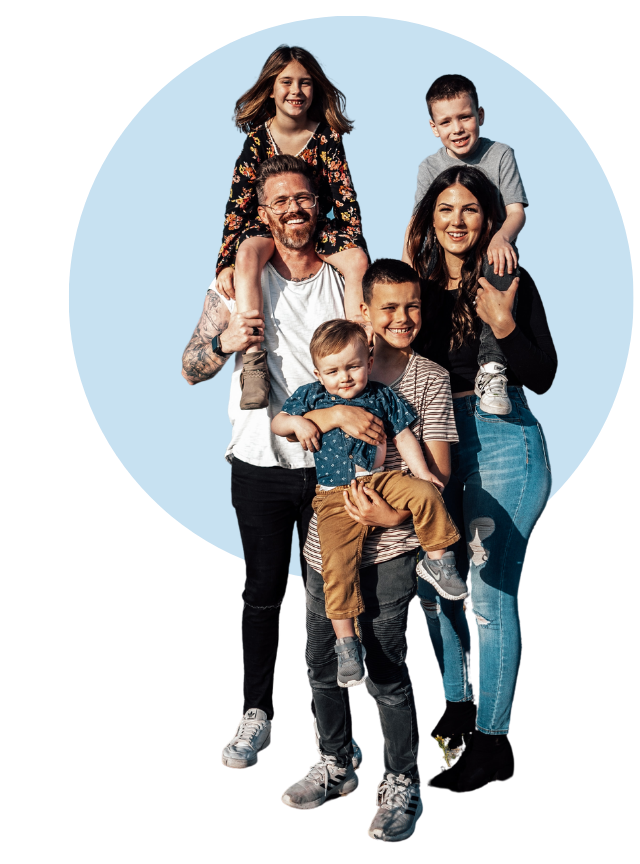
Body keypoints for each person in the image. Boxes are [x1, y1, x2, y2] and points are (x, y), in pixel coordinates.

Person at [181, 154, 363, 773]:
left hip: (330, 466)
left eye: (303, 198)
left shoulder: (341, 280)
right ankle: (256, 713)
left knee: (328, 597)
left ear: (320, 206)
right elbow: (189, 367)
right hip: (258, 460)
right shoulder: (234, 284)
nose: (293, 209)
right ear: (264, 213)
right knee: (262, 593)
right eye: (280, 200)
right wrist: (222, 341)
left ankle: (330, 730)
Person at [279, 259, 459, 843]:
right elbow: (287, 423)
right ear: (364, 313)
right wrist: (330, 412)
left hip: (393, 540)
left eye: (412, 307)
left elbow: (438, 469)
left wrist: (391, 513)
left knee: (385, 667)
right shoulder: (333, 368)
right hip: (324, 541)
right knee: (321, 659)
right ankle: (336, 761)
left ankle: (402, 780)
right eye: (388, 307)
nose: (402, 318)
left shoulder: (425, 378)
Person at [408, 164, 557, 791]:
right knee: (432, 584)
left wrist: (501, 319)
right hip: (434, 440)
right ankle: (456, 706)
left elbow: (543, 372)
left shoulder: (509, 280)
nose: (457, 220)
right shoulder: (414, 286)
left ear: (489, 219)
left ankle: (495, 740)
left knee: (491, 598)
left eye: (470, 209)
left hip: (503, 440)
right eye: (445, 209)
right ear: (429, 220)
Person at [272, 319, 466, 688]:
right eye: (333, 371)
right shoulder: (311, 396)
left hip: (383, 481)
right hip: (334, 496)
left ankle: (439, 562)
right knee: (337, 564)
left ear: (369, 360)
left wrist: (422, 472)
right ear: (318, 373)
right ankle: (347, 643)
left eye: (353, 366)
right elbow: (279, 423)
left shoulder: (381, 395)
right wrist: (298, 425)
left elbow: (404, 435)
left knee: (428, 493)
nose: (344, 377)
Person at [215, 44, 370, 410]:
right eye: (286, 82)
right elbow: (237, 205)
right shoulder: (256, 141)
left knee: (358, 261)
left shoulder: (328, 137)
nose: (296, 91)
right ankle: (255, 361)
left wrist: (354, 246)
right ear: (271, 88)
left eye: (305, 83)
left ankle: (362, 348)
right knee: (248, 252)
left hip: (317, 226)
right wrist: (225, 262)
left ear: (315, 89)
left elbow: (345, 196)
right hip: (267, 227)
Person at [402, 73, 529, 416]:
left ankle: (491, 369)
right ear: (433, 127)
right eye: (446, 121)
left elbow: (516, 212)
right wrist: (405, 271)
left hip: (490, 253)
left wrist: (502, 236)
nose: (456, 128)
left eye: (465, 117)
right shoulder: (429, 167)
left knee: (501, 263)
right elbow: (417, 223)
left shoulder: (500, 154)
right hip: (444, 258)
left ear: (480, 115)